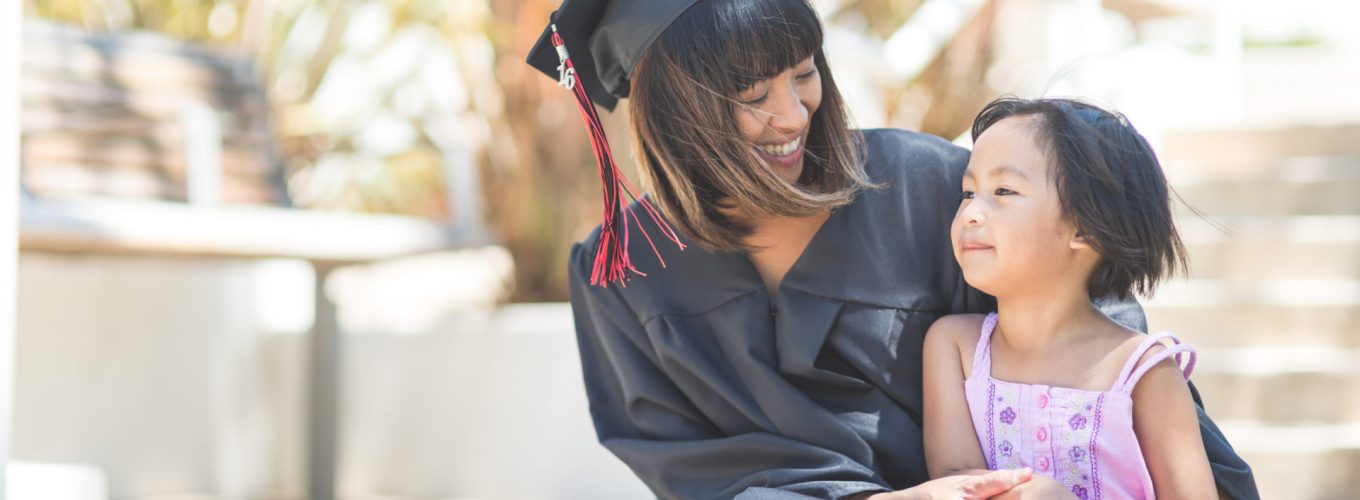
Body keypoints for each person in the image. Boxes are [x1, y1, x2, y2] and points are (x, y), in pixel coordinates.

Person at [525, 0, 1258, 498]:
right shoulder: (623, 277)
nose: (792, 113)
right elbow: (695, 477)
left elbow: (1101, 363)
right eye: (752, 95)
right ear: (670, 109)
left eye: (804, 72)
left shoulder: (925, 188)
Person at [922, 97, 1218, 500]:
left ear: (1086, 228)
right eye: (968, 192)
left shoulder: (1144, 371)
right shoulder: (954, 345)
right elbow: (953, 477)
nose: (971, 213)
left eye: (1003, 190)